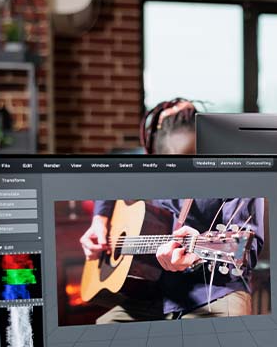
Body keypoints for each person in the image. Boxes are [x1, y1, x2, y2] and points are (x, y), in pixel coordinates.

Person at [79, 98, 265, 322]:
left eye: (184, 121)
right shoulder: (150, 166)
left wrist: (196, 252)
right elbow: (106, 179)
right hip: (154, 294)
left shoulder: (236, 170)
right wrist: (99, 220)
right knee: (103, 331)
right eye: (165, 126)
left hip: (213, 291)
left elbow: (245, 245)